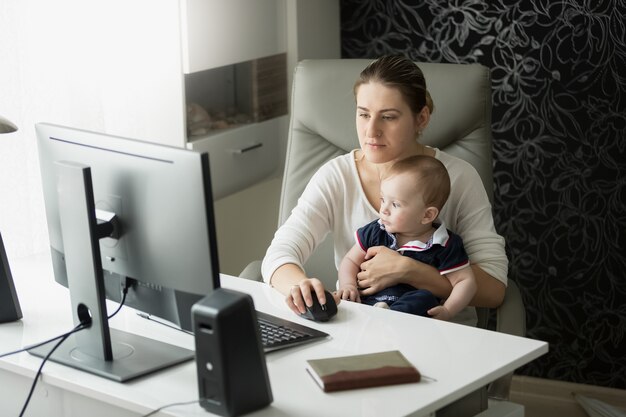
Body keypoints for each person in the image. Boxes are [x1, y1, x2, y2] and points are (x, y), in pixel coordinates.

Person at [261, 55, 508, 326]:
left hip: (442, 335)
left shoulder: (458, 177)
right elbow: (279, 254)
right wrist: (300, 286)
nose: (371, 131)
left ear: (421, 118)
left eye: (388, 117)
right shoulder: (337, 176)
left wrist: (411, 271)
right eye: (364, 114)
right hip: (360, 331)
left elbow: (494, 287)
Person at [337, 155, 477, 321]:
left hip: (409, 318)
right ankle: (375, 315)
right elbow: (350, 261)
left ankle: (389, 316)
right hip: (368, 302)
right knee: (347, 301)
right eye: (383, 199)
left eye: (395, 204)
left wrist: (448, 310)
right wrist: (348, 285)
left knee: (424, 298)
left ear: (427, 215)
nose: (384, 210)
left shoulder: (444, 244)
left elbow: (465, 282)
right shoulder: (376, 231)